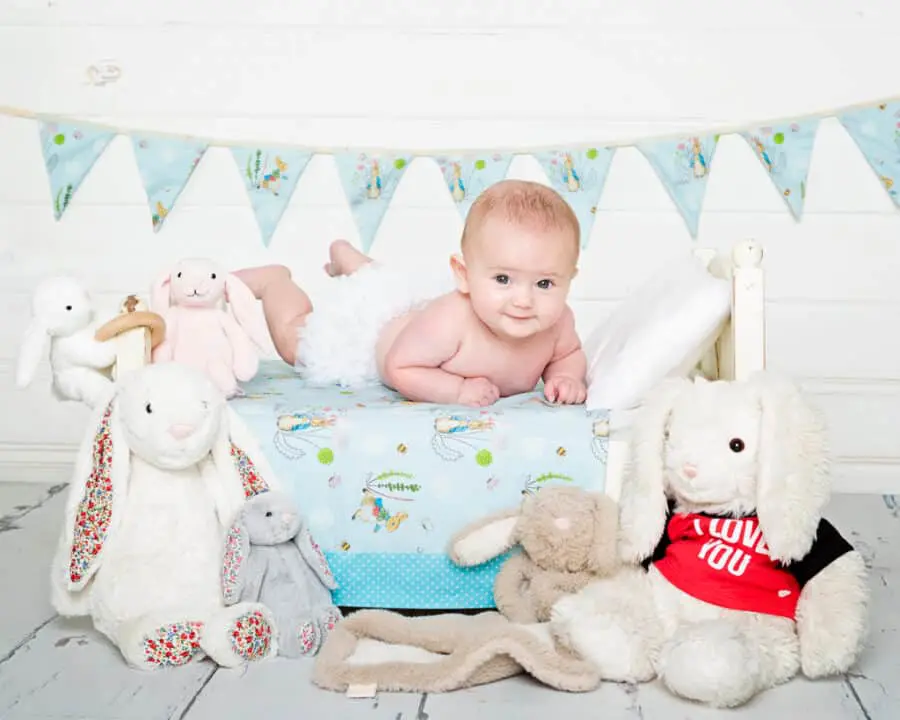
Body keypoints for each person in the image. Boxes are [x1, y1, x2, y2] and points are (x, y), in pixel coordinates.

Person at [234, 179, 587, 407]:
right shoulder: (450, 321)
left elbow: (567, 353)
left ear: (568, 280)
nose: (523, 301)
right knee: (297, 340)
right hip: (368, 336)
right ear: (463, 276)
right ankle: (274, 282)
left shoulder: (558, 323)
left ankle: (352, 261)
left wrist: (565, 377)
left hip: (407, 309)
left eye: (544, 284)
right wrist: (457, 391)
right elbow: (399, 367)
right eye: (503, 280)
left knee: (385, 282)